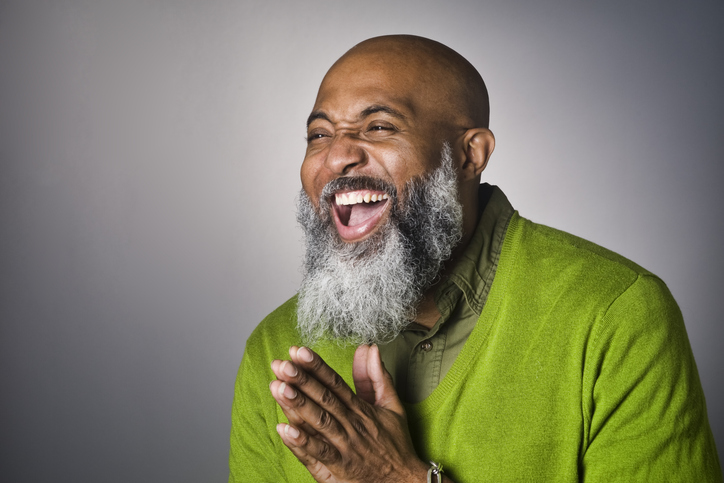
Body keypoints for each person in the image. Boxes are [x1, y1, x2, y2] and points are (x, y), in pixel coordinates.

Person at [229, 35, 721, 482]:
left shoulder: (614, 314)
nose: (336, 157)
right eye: (319, 134)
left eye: (378, 126)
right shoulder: (278, 348)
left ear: (470, 155)